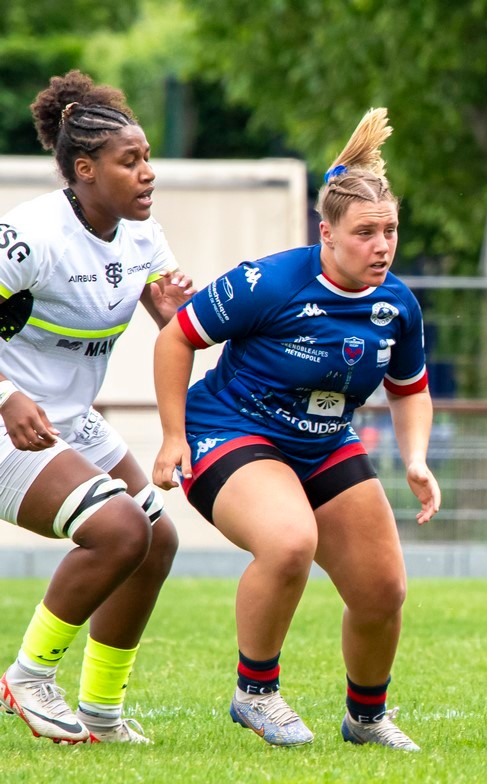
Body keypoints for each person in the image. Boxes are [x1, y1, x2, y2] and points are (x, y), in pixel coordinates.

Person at [151, 107, 440, 751]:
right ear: (327, 233)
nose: (382, 246)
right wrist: (172, 436)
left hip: (323, 441)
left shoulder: (397, 304)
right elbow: (177, 338)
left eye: (390, 230)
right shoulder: (271, 281)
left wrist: (416, 458)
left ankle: (367, 718)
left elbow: (410, 389)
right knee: (289, 542)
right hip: (231, 430)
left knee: (382, 588)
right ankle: (255, 693)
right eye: (365, 232)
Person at [0, 70, 193, 744]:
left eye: (148, 159)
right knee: (118, 531)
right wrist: (6, 394)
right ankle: (28, 677)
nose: (148, 173)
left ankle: (102, 713)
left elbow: (173, 323)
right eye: (130, 161)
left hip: (69, 418)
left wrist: (178, 314)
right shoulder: (29, 235)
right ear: (84, 170)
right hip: (8, 420)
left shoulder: (143, 236)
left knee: (156, 541)